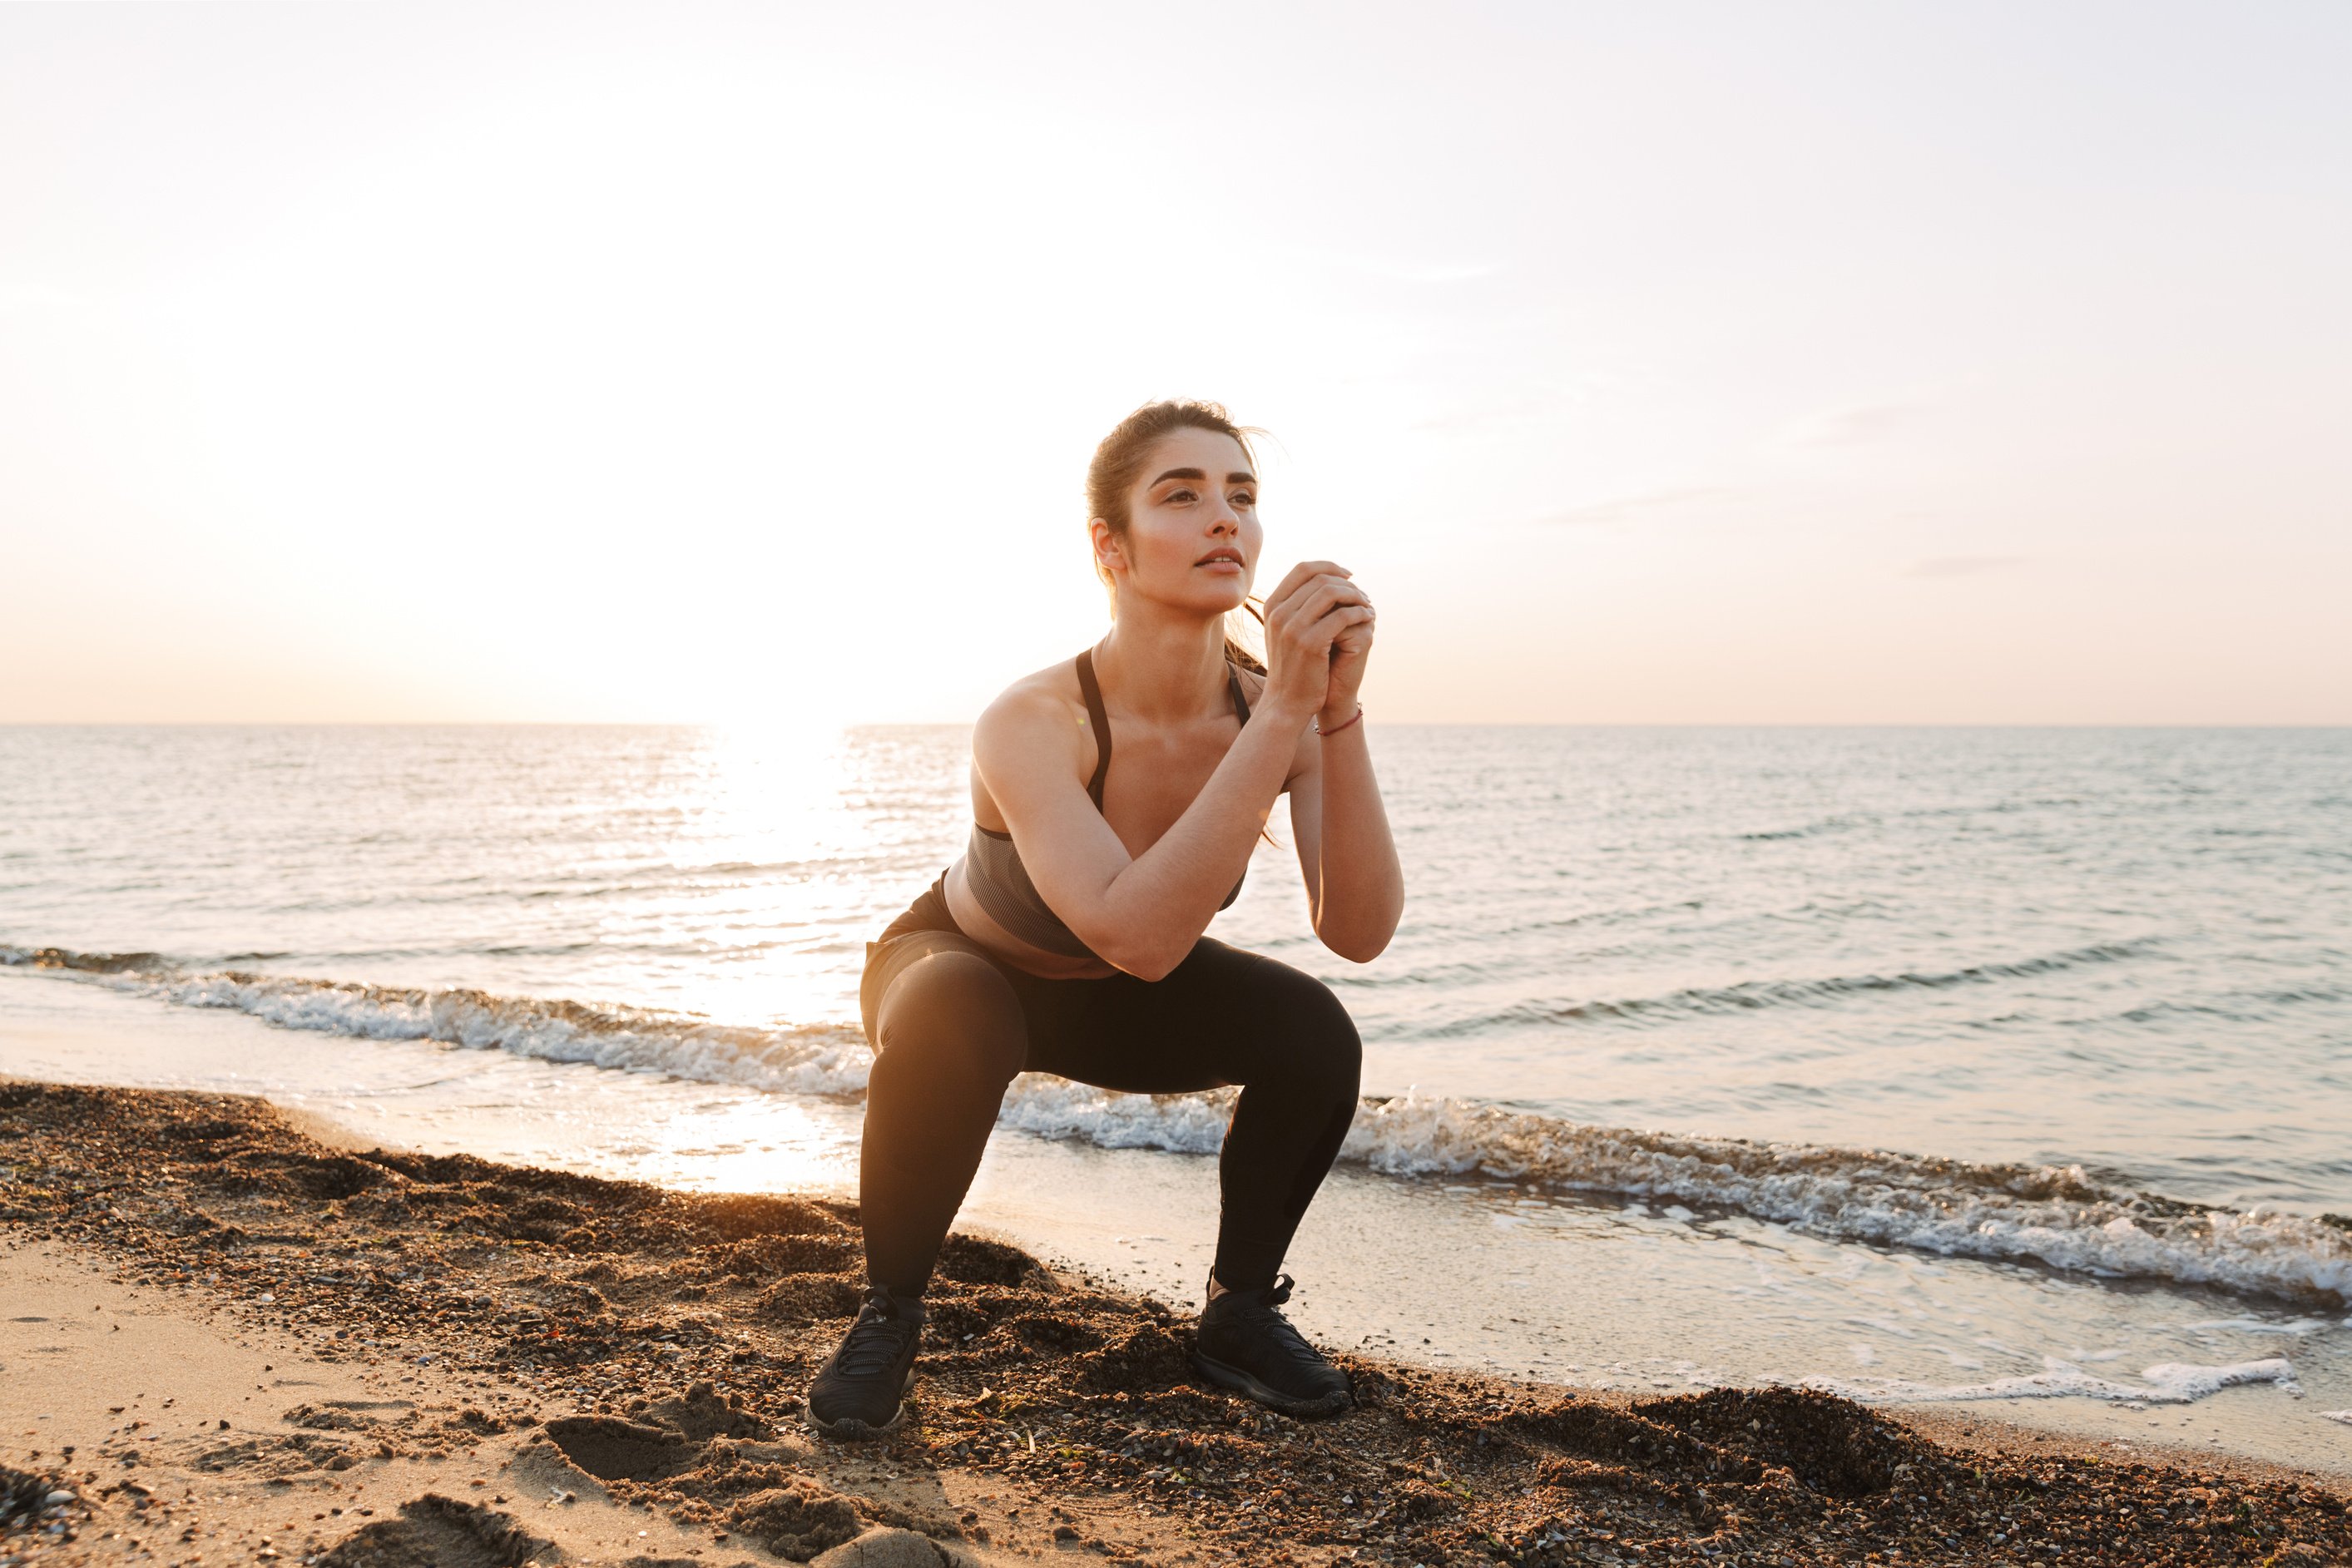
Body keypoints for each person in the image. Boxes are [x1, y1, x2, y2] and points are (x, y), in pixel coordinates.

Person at [807, 399, 1404, 1439]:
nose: (1224, 518)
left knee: (1316, 1028)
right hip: (958, 971)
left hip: (1118, 998)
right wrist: (1281, 715)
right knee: (956, 1000)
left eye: (1242, 496)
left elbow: (1357, 929)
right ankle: (890, 1310)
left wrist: (1334, 712)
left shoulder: (1276, 712)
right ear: (1110, 548)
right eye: (1181, 496)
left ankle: (1237, 1312)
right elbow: (1134, 932)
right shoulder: (1034, 718)